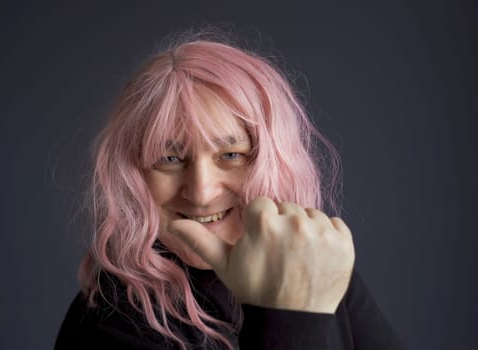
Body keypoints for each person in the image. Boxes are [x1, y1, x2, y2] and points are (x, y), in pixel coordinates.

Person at [55, 32, 405, 349]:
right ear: (136, 174)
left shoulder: (309, 259)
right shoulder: (109, 321)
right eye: (170, 158)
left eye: (231, 155)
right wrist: (293, 318)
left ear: (273, 160)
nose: (201, 191)